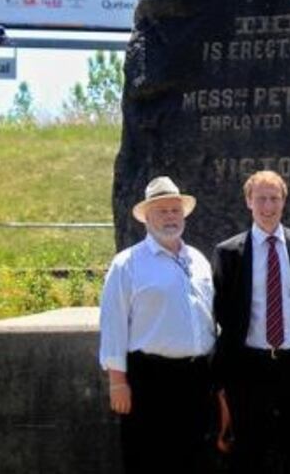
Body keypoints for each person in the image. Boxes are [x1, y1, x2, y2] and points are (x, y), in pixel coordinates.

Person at [98, 176, 215, 474]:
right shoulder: (128, 263)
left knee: (196, 459)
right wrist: (117, 381)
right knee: (150, 458)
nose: (170, 217)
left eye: (175, 210)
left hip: (197, 376)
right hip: (150, 379)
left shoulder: (198, 260)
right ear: (146, 218)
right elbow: (113, 324)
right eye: (161, 211)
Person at [211, 170, 290, 474]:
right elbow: (223, 309)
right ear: (248, 201)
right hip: (248, 366)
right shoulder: (228, 253)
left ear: (284, 202)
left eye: (274, 198)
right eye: (260, 198)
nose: (268, 206)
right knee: (249, 450)